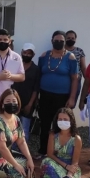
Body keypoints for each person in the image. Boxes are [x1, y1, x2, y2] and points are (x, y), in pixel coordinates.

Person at [36, 31, 78, 159]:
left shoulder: (70, 58)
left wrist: (72, 98)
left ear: (65, 42)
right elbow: (39, 76)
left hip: (62, 97)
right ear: (52, 40)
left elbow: (75, 79)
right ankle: (43, 150)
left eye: (61, 41)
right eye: (56, 40)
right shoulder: (44, 56)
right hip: (44, 95)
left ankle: (59, 152)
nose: (58, 42)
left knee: (61, 125)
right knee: (44, 124)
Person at [40, 108, 82, 178]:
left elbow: (75, 161)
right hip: (56, 162)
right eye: (60, 119)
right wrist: (65, 166)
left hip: (71, 168)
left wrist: (69, 174)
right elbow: (50, 154)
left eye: (65, 119)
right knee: (46, 162)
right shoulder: (52, 135)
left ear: (71, 121)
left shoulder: (76, 139)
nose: (62, 121)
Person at [11, 43, 40, 148]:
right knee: (13, 128)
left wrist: (30, 104)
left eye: (29, 53)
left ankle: (24, 154)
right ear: (21, 52)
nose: (27, 55)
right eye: (25, 52)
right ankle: (13, 153)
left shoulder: (36, 69)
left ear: (33, 55)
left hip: (28, 103)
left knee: (25, 129)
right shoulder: (15, 66)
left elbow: (36, 89)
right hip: (14, 103)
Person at [65, 30, 86, 104]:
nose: (70, 40)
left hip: (76, 80)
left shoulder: (79, 51)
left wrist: (88, 81)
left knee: (71, 103)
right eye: (68, 38)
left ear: (75, 39)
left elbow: (83, 67)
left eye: (72, 38)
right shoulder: (61, 50)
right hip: (64, 80)